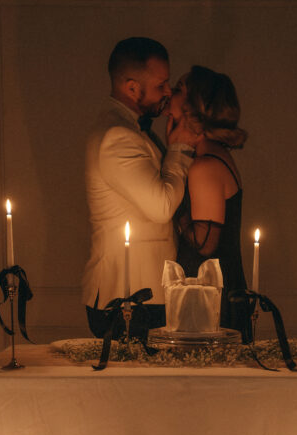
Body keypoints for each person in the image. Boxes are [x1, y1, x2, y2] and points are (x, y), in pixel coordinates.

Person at [82, 37, 200, 338]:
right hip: (129, 296)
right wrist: (180, 149)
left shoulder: (128, 129)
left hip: (142, 294)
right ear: (132, 87)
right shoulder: (117, 137)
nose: (168, 92)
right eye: (161, 85)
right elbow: (161, 207)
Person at [167, 65, 249, 331]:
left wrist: (172, 207)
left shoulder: (204, 166)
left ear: (194, 106)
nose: (169, 93)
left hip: (210, 301)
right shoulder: (215, 156)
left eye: (179, 89)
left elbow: (204, 243)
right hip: (218, 292)